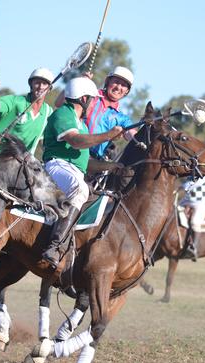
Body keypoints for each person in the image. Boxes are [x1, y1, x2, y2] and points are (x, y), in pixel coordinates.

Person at [41, 77, 123, 268]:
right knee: (80, 190)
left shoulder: (82, 124)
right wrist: (108, 135)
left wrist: (112, 167)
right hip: (56, 165)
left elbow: (86, 163)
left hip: (73, 170)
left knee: (97, 197)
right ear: (83, 99)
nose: (94, 104)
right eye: (93, 99)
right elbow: (75, 141)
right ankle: (54, 246)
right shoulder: (64, 113)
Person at [55, 66, 136, 161]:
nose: (118, 87)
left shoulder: (122, 118)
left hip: (93, 162)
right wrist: (78, 83)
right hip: (69, 153)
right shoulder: (90, 95)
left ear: (127, 91)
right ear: (108, 81)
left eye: (123, 85)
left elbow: (133, 136)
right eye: (116, 82)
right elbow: (58, 103)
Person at [0, 68, 54, 164]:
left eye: (44, 84)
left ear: (49, 89)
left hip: (21, 165)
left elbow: (43, 140)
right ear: (31, 85)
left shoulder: (48, 112)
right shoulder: (15, 101)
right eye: (37, 82)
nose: (40, 87)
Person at [179, 176, 205, 261]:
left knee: (195, 221)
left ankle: (193, 248)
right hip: (187, 200)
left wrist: (182, 186)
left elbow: (193, 184)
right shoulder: (193, 170)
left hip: (202, 202)